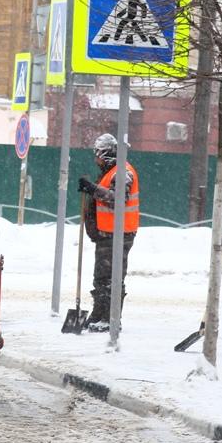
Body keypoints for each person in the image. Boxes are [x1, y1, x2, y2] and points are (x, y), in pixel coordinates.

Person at [76, 133, 139, 333]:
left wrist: (92, 189)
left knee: (112, 278)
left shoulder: (122, 173)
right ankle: (99, 313)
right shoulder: (111, 172)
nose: (97, 160)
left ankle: (111, 318)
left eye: (99, 156)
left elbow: (118, 198)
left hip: (118, 235)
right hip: (107, 234)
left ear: (108, 154)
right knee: (102, 278)